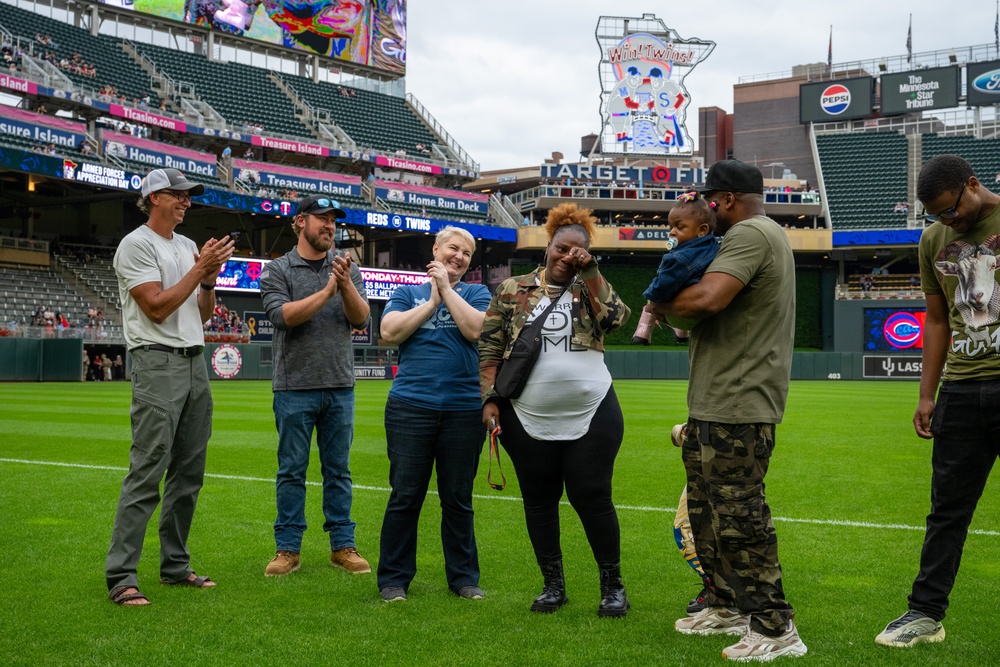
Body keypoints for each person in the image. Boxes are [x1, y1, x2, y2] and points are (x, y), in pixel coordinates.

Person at [649, 160, 806, 660]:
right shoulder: (756, 233)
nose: (701, 210)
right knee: (707, 512)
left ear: (725, 201)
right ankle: (726, 605)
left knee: (739, 516)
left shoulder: (749, 235)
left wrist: (662, 302)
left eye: (707, 201)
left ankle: (776, 627)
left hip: (738, 402)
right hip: (717, 400)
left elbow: (705, 302)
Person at [478, 203, 632, 617]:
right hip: (525, 413)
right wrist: (489, 398)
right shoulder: (513, 289)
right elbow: (490, 347)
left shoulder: (590, 287)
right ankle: (552, 586)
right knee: (539, 501)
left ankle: (612, 586)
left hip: (593, 409)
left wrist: (592, 272)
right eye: (562, 249)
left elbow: (617, 318)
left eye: (576, 252)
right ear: (548, 247)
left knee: (593, 496)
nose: (568, 257)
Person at [875, 155, 1000, 648]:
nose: (948, 222)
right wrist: (927, 394)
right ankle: (925, 614)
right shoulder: (933, 240)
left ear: (972, 185)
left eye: (952, 211)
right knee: (946, 511)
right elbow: (938, 319)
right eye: (937, 216)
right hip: (962, 390)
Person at [106, 168, 234, 606]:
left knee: (189, 472)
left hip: (194, 360)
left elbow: (201, 314)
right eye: (178, 195)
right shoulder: (135, 244)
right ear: (154, 197)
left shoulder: (185, 245)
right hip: (157, 361)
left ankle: (175, 567)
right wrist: (199, 267)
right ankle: (121, 576)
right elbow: (157, 309)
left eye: (188, 196)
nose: (186, 201)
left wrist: (209, 279)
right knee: (149, 469)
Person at [376, 227, 491, 603]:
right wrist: (431, 300)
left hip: (462, 409)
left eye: (467, 254)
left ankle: (463, 579)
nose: (459, 257)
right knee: (405, 496)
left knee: (457, 499)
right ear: (436, 249)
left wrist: (446, 290)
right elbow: (389, 332)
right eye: (454, 249)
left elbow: (476, 329)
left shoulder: (476, 293)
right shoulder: (406, 293)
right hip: (410, 407)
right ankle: (394, 580)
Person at [259, 194, 371, 577]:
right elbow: (283, 316)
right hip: (294, 387)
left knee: (338, 470)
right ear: (300, 222)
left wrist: (344, 284)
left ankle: (343, 546)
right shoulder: (277, 269)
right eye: (322, 219)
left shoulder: (346, 268)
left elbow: (360, 318)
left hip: (339, 384)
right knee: (292, 470)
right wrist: (326, 291)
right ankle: (288, 549)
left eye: (333, 221)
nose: (329, 226)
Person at [632, 192, 719, 345]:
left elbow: (665, 284)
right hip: (701, 310)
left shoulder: (678, 258)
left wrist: (652, 296)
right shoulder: (713, 247)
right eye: (671, 226)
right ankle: (681, 332)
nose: (672, 231)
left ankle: (643, 331)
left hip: (682, 312)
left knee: (652, 297)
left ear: (702, 230)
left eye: (680, 227)